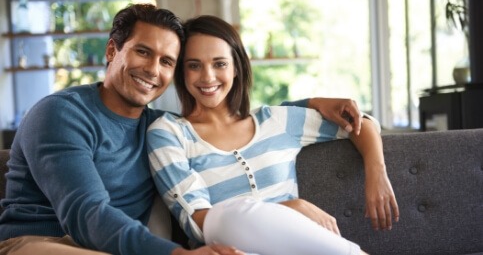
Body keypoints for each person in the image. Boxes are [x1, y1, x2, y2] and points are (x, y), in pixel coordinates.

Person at [0, 3, 370, 255]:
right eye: (143, 52)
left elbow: (253, 125)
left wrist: (314, 103)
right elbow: (86, 213)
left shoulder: (154, 128)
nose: (153, 70)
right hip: (45, 242)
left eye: (166, 61)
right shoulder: (61, 114)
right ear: (113, 50)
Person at [146, 15, 399, 255]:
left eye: (220, 63)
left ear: (236, 68)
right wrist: (290, 208)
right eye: (194, 66)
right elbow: (201, 221)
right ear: (182, 72)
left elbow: (359, 123)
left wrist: (376, 173)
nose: (208, 76)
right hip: (227, 249)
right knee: (224, 216)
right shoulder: (169, 133)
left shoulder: (275, 121)